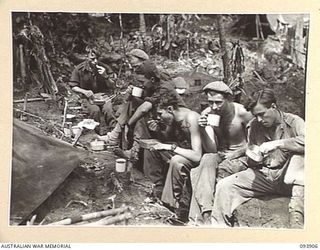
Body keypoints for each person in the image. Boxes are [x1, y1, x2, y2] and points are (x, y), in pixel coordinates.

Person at [210, 89, 305, 229]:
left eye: (262, 114)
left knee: (299, 157)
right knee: (225, 186)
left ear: (273, 106)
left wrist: (278, 143)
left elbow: (311, 141)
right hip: (265, 176)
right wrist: (253, 156)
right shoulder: (255, 125)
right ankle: (219, 230)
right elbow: (253, 157)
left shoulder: (294, 122)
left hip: (288, 178)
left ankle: (297, 219)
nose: (260, 119)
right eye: (256, 115)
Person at [188, 81, 253, 225]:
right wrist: (203, 129)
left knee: (202, 173)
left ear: (229, 99)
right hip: (221, 154)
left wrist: (235, 155)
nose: (214, 107)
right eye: (210, 102)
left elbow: (255, 144)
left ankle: (198, 220)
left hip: (242, 156)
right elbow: (212, 149)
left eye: (218, 102)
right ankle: (206, 212)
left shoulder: (242, 114)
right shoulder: (208, 113)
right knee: (206, 159)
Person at [141, 90, 202, 222]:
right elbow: (169, 138)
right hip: (183, 150)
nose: (158, 118)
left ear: (169, 109)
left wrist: (170, 147)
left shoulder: (191, 118)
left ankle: (173, 205)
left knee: (176, 160)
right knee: (152, 149)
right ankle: (157, 188)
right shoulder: (173, 119)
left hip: (196, 156)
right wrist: (158, 131)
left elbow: (197, 155)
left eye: (160, 114)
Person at [96, 48, 151, 146]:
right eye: (133, 67)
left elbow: (153, 94)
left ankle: (113, 136)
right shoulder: (138, 73)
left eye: (136, 65)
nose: (135, 69)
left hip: (152, 104)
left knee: (127, 107)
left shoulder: (151, 73)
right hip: (143, 102)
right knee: (125, 105)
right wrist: (131, 91)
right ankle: (114, 136)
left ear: (143, 61)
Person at [69, 47, 116, 131]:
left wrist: (106, 76)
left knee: (108, 109)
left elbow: (113, 86)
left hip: (103, 96)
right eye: (92, 59)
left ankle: (114, 132)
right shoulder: (80, 69)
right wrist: (84, 91)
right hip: (88, 97)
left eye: (97, 59)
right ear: (86, 56)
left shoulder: (104, 68)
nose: (95, 61)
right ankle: (96, 133)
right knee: (95, 110)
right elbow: (73, 86)